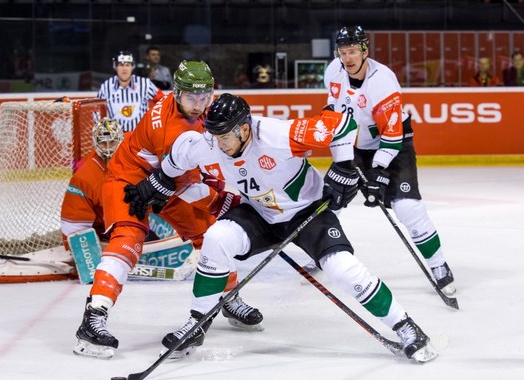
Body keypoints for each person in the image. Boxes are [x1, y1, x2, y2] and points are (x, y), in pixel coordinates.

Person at [142, 93, 437, 363]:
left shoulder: (278, 134)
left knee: (342, 268)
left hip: (307, 212)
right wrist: (157, 183)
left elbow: (342, 123)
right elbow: (176, 159)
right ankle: (197, 323)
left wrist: (344, 166)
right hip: (260, 213)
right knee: (217, 237)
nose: (219, 144)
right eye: (214, 136)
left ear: (244, 129)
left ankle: (405, 325)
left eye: (224, 137)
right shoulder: (209, 143)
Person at [73, 61, 263, 360]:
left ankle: (228, 296)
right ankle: (94, 317)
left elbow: (184, 177)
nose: (200, 105)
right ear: (176, 93)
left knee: (211, 234)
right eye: (192, 98)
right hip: (131, 182)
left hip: (166, 182)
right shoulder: (172, 129)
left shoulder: (197, 111)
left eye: (205, 97)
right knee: (128, 240)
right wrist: (225, 202)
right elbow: (187, 185)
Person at [323, 26, 456, 296]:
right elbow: (333, 111)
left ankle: (439, 265)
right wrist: (342, 160)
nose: (347, 58)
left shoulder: (383, 80)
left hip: (393, 144)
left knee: (408, 208)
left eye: (352, 52)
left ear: (365, 51)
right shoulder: (333, 71)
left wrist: (377, 171)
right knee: (329, 199)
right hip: (355, 144)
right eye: (342, 52)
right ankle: (320, 250)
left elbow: (392, 134)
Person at [61, 118, 124, 246]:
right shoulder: (85, 177)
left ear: (121, 140)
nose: (108, 149)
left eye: (112, 142)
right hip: (103, 238)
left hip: (129, 226)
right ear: (95, 143)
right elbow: (74, 224)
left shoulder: (134, 159)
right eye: (102, 143)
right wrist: (82, 249)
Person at [97, 50, 165, 132]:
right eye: (121, 65)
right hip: (116, 138)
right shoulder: (106, 87)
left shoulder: (144, 84)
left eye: (127, 65)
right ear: (115, 67)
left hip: (139, 137)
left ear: (132, 67)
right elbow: (97, 113)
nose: (124, 69)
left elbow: (163, 101)